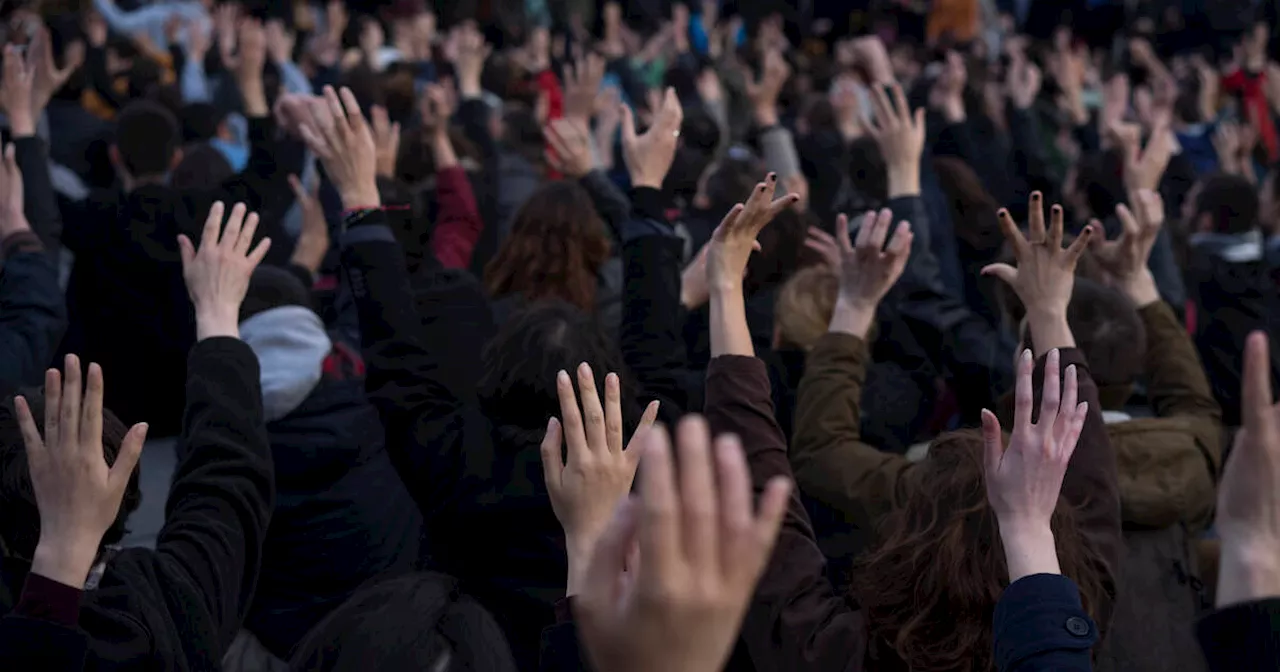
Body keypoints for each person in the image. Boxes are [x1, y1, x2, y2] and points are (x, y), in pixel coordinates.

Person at [0, 200, 274, 670]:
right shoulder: (173, 603)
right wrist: (216, 316)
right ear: (119, 497)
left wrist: (60, 557)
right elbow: (228, 478)